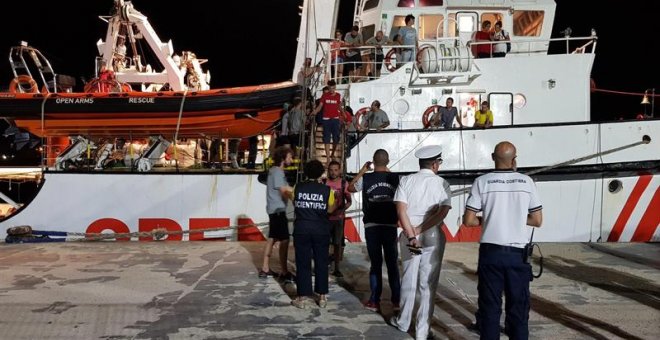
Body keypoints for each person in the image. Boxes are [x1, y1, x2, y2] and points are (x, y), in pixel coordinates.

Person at [462, 141, 543, 339]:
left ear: (492, 157)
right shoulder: (527, 182)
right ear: (514, 159)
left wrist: (489, 217)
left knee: (490, 309)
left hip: (491, 254)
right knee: (518, 310)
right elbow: (537, 220)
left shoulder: (482, 182)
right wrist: (513, 217)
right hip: (517, 255)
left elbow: (469, 221)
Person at [390, 145, 452, 340]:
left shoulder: (406, 181)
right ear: (434, 164)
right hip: (432, 237)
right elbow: (442, 212)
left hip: (411, 239)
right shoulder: (442, 183)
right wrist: (421, 230)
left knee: (409, 277)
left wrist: (412, 234)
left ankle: (403, 321)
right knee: (427, 283)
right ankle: (422, 331)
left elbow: (401, 211)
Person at [348, 149, 401, 313]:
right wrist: (387, 169)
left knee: (376, 264)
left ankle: (374, 300)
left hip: (372, 226)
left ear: (373, 161)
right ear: (388, 161)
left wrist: (364, 170)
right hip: (390, 225)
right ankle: (396, 301)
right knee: (392, 264)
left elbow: (350, 188)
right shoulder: (395, 178)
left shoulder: (366, 178)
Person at [291, 159, 336, 309]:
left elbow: (294, 202)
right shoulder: (327, 190)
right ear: (320, 173)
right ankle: (322, 297)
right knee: (321, 262)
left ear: (305, 172)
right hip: (320, 229)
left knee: (302, 262)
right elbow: (330, 210)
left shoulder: (297, 187)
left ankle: (303, 297)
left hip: (302, 228)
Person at [260, 146, 295, 282]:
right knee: (285, 239)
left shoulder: (273, 171)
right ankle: (284, 271)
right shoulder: (278, 172)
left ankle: (265, 268)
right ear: (283, 158)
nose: (291, 159)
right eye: (289, 157)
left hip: (273, 209)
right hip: (278, 210)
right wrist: (298, 196)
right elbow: (284, 191)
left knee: (272, 238)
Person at [324, 160, 352, 277]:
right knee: (324, 243)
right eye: (331, 170)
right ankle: (323, 265)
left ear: (339, 171)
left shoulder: (344, 184)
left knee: (337, 243)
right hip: (326, 218)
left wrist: (342, 210)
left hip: (339, 219)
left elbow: (349, 201)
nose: (333, 172)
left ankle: (337, 268)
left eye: (336, 170)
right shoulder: (324, 183)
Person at [312, 80, 343, 163]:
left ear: (335, 87)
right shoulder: (324, 96)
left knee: (336, 138)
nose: (332, 90)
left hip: (335, 119)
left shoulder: (338, 96)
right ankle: (328, 158)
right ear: (328, 88)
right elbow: (320, 106)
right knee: (327, 139)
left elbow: (339, 106)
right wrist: (315, 111)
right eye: (330, 88)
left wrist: (343, 113)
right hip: (326, 120)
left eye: (333, 88)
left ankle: (332, 153)